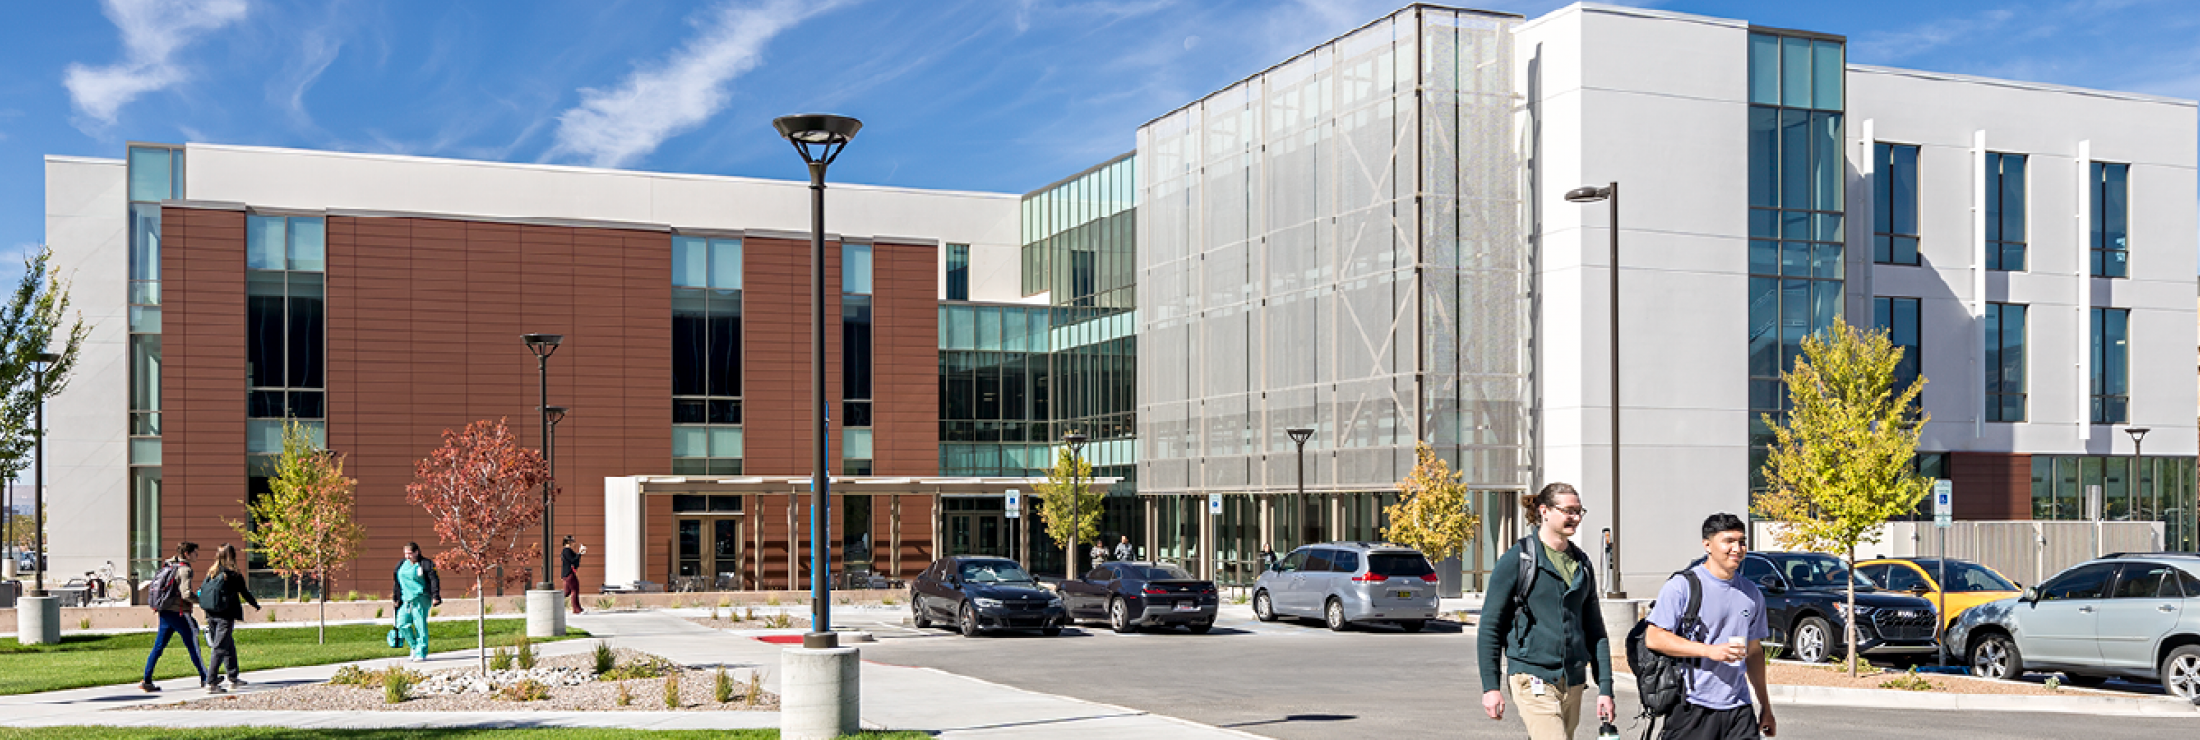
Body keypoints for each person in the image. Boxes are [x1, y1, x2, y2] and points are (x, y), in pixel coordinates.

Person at [1477, 483, 1615, 740]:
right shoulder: (1518, 559)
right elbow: (1490, 627)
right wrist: (1491, 687)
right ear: (1545, 511)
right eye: (1568, 511)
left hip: (1572, 680)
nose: (1575, 517)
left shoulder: (1581, 564)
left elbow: (1596, 630)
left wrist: (1605, 688)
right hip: (1532, 675)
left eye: (1578, 511)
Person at [1644, 513, 1776, 739]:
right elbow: (1654, 637)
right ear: (1707, 545)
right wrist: (1709, 651)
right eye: (1729, 541)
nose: (1737, 548)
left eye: (1742, 541)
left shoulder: (1751, 593)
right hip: (1692, 706)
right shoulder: (1682, 586)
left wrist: (1765, 706)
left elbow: (1754, 653)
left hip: (1739, 709)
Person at [139, 541, 207, 693]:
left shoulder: (169, 566)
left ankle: (147, 680)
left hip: (165, 612)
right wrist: (202, 601)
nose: (198, 556)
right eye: (195, 553)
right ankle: (206, 677)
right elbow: (186, 594)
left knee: (158, 647)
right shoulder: (185, 570)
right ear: (187, 554)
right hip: (180, 613)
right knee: (193, 645)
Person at [198, 544, 261, 693]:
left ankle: (233, 678)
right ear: (232, 556)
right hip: (225, 616)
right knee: (219, 648)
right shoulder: (233, 575)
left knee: (228, 646)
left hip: (211, 615)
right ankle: (211, 682)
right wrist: (255, 605)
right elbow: (244, 592)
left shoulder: (211, 574)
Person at [392, 542, 443, 662]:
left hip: (421, 597)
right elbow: (397, 582)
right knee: (401, 623)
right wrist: (396, 598)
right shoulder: (401, 565)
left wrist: (435, 596)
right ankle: (414, 647)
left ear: (416, 552)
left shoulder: (425, 564)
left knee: (420, 625)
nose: (407, 556)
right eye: (405, 554)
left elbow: (434, 580)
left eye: (410, 553)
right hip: (406, 599)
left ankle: (421, 651)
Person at [561, 536, 586, 615]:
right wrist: (579, 553)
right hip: (569, 573)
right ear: (568, 542)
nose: (573, 543)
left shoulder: (566, 551)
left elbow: (575, 559)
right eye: (572, 541)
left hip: (567, 574)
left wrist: (580, 553)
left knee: (567, 592)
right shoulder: (567, 551)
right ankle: (576, 609)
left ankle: (554, 603)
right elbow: (573, 560)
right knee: (574, 590)